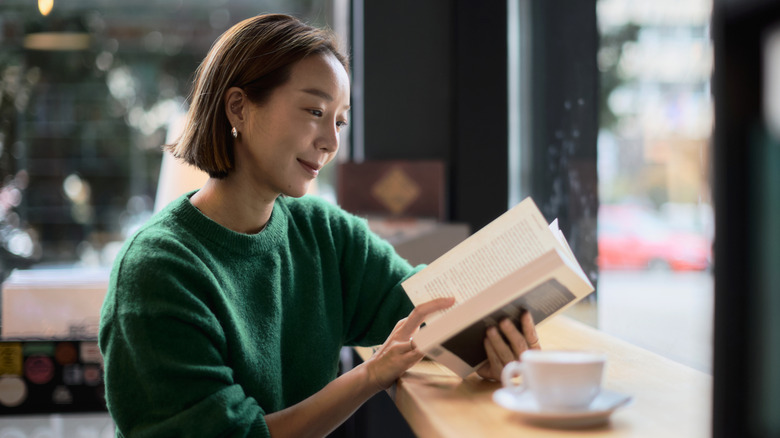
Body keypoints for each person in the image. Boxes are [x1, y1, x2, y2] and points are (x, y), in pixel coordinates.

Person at [98, 13, 541, 438]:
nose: (331, 142)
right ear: (238, 108)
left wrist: (491, 346)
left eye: (340, 120)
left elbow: (420, 307)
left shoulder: (322, 231)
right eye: (314, 111)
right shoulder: (157, 270)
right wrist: (370, 375)